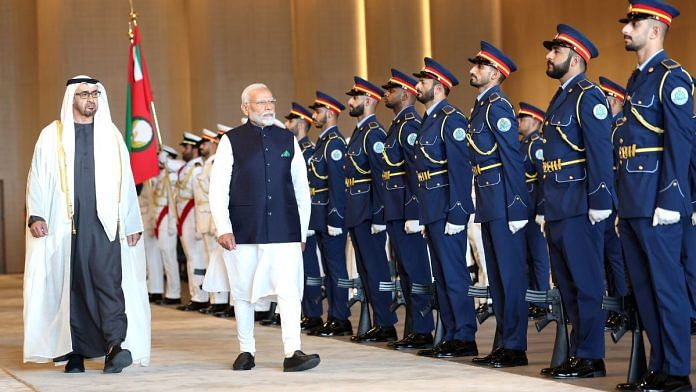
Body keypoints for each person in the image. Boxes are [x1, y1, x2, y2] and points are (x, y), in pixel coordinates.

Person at [24, 75, 150, 373]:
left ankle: (115, 345)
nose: (91, 99)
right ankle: (75, 351)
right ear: (71, 98)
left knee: (108, 281)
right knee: (73, 285)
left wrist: (131, 221)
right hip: (63, 225)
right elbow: (37, 178)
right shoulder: (51, 136)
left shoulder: (111, 135)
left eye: (95, 93)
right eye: (84, 94)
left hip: (104, 224)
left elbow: (127, 183)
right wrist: (36, 214)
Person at [209, 83, 319, 372]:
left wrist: (303, 229)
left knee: (289, 290)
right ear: (246, 108)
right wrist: (223, 226)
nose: (269, 107)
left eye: (272, 101)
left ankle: (292, 351)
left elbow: (300, 187)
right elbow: (218, 187)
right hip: (244, 229)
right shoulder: (231, 140)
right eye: (261, 103)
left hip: (284, 228)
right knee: (243, 291)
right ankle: (246, 350)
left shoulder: (287, 139)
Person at [614, 1, 693, 389]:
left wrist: (672, 198)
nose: (626, 29)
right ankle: (659, 367)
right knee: (644, 293)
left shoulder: (670, 78)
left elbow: (681, 142)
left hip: (658, 203)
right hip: (633, 203)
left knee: (667, 289)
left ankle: (677, 373)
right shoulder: (637, 79)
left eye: (634, 22)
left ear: (656, 28)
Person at [538, 25, 615, 379]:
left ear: (576, 57)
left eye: (556, 50)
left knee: (586, 285)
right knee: (567, 287)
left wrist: (600, 199)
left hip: (581, 205)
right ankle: (578, 352)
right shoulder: (560, 98)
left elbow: (599, 150)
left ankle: (591, 355)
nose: (549, 56)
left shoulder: (587, 96)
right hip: (558, 206)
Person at [464, 42, 530, 368]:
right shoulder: (480, 107)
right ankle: (504, 343)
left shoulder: (497, 106)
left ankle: (515, 346)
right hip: (490, 203)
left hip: (504, 203)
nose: (473, 68)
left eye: (479, 64)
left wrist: (517, 205)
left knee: (510, 277)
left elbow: (512, 160)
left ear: (494, 72)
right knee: (498, 279)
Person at [411, 58, 479, 359]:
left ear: (438, 87)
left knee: (454, 275)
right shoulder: (429, 120)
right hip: (433, 210)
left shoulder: (451, 119)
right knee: (442, 276)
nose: (417, 87)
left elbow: (460, 170)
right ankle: (451, 333)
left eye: (423, 82)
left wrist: (458, 212)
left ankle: (465, 335)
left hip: (447, 211)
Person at [380, 69, 435, 349]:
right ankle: (414, 328)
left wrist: (415, 212)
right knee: (405, 272)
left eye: (391, 90)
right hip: (395, 209)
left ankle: (424, 329)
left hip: (406, 210)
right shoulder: (398, 124)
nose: (385, 94)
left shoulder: (411, 123)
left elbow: (415, 172)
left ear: (405, 94)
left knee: (416, 271)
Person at [344, 76, 398, 342]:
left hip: (369, 213)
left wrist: (379, 215)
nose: (349, 102)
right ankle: (379, 321)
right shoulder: (360, 132)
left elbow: (381, 178)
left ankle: (386, 323)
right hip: (357, 211)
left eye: (354, 98)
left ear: (367, 101)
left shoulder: (374, 133)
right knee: (365, 270)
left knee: (376, 268)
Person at [306, 91, 353, 337]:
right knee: (329, 267)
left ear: (331, 113)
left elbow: (337, 184)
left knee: (336, 269)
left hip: (331, 216)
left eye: (318, 111)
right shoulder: (324, 142)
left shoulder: (334, 143)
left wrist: (335, 217)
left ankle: (340, 316)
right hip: (321, 215)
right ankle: (332, 315)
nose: (314, 115)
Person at [285, 102, 324, 331]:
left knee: (310, 266)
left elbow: (309, 189)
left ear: (300, 123)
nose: (287, 124)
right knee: (298, 267)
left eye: (290, 120)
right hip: (292, 218)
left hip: (305, 218)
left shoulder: (308, 151)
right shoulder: (292, 149)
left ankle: (314, 312)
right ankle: (307, 312)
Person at [597, 77, 629, 331]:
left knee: (616, 259)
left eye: (606, 98)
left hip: (616, 202)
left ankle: (624, 309)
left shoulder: (619, 127)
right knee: (609, 259)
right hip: (607, 201)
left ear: (616, 100)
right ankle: (614, 307)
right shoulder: (608, 128)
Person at [517, 102, 550, 320]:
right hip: (524, 211)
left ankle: (541, 301)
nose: (519, 122)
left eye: (523, 118)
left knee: (538, 257)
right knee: (527, 257)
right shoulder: (522, 145)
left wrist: (542, 209)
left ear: (536, 121)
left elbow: (543, 179)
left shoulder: (536, 145)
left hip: (533, 210)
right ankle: (532, 299)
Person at [194, 128, 229, 315]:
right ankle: (217, 301)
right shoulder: (210, 162)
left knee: (222, 261)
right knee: (211, 260)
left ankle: (223, 302)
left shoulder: (217, 162)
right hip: (206, 217)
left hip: (216, 218)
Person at [176, 132, 209, 311]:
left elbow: (198, 197)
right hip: (185, 216)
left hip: (193, 215)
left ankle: (200, 296)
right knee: (191, 257)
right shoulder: (188, 167)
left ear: (194, 149)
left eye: (186, 147)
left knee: (197, 257)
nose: (183, 150)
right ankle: (195, 294)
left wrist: (198, 224)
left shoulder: (197, 168)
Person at [151, 145, 183, 305]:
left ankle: (174, 293)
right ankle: (168, 291)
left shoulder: (173, 173)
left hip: (168, 218)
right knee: (163, 256)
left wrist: (172, 223)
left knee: (170, 256)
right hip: (159, 218)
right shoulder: (161, 174)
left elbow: (173, 199)